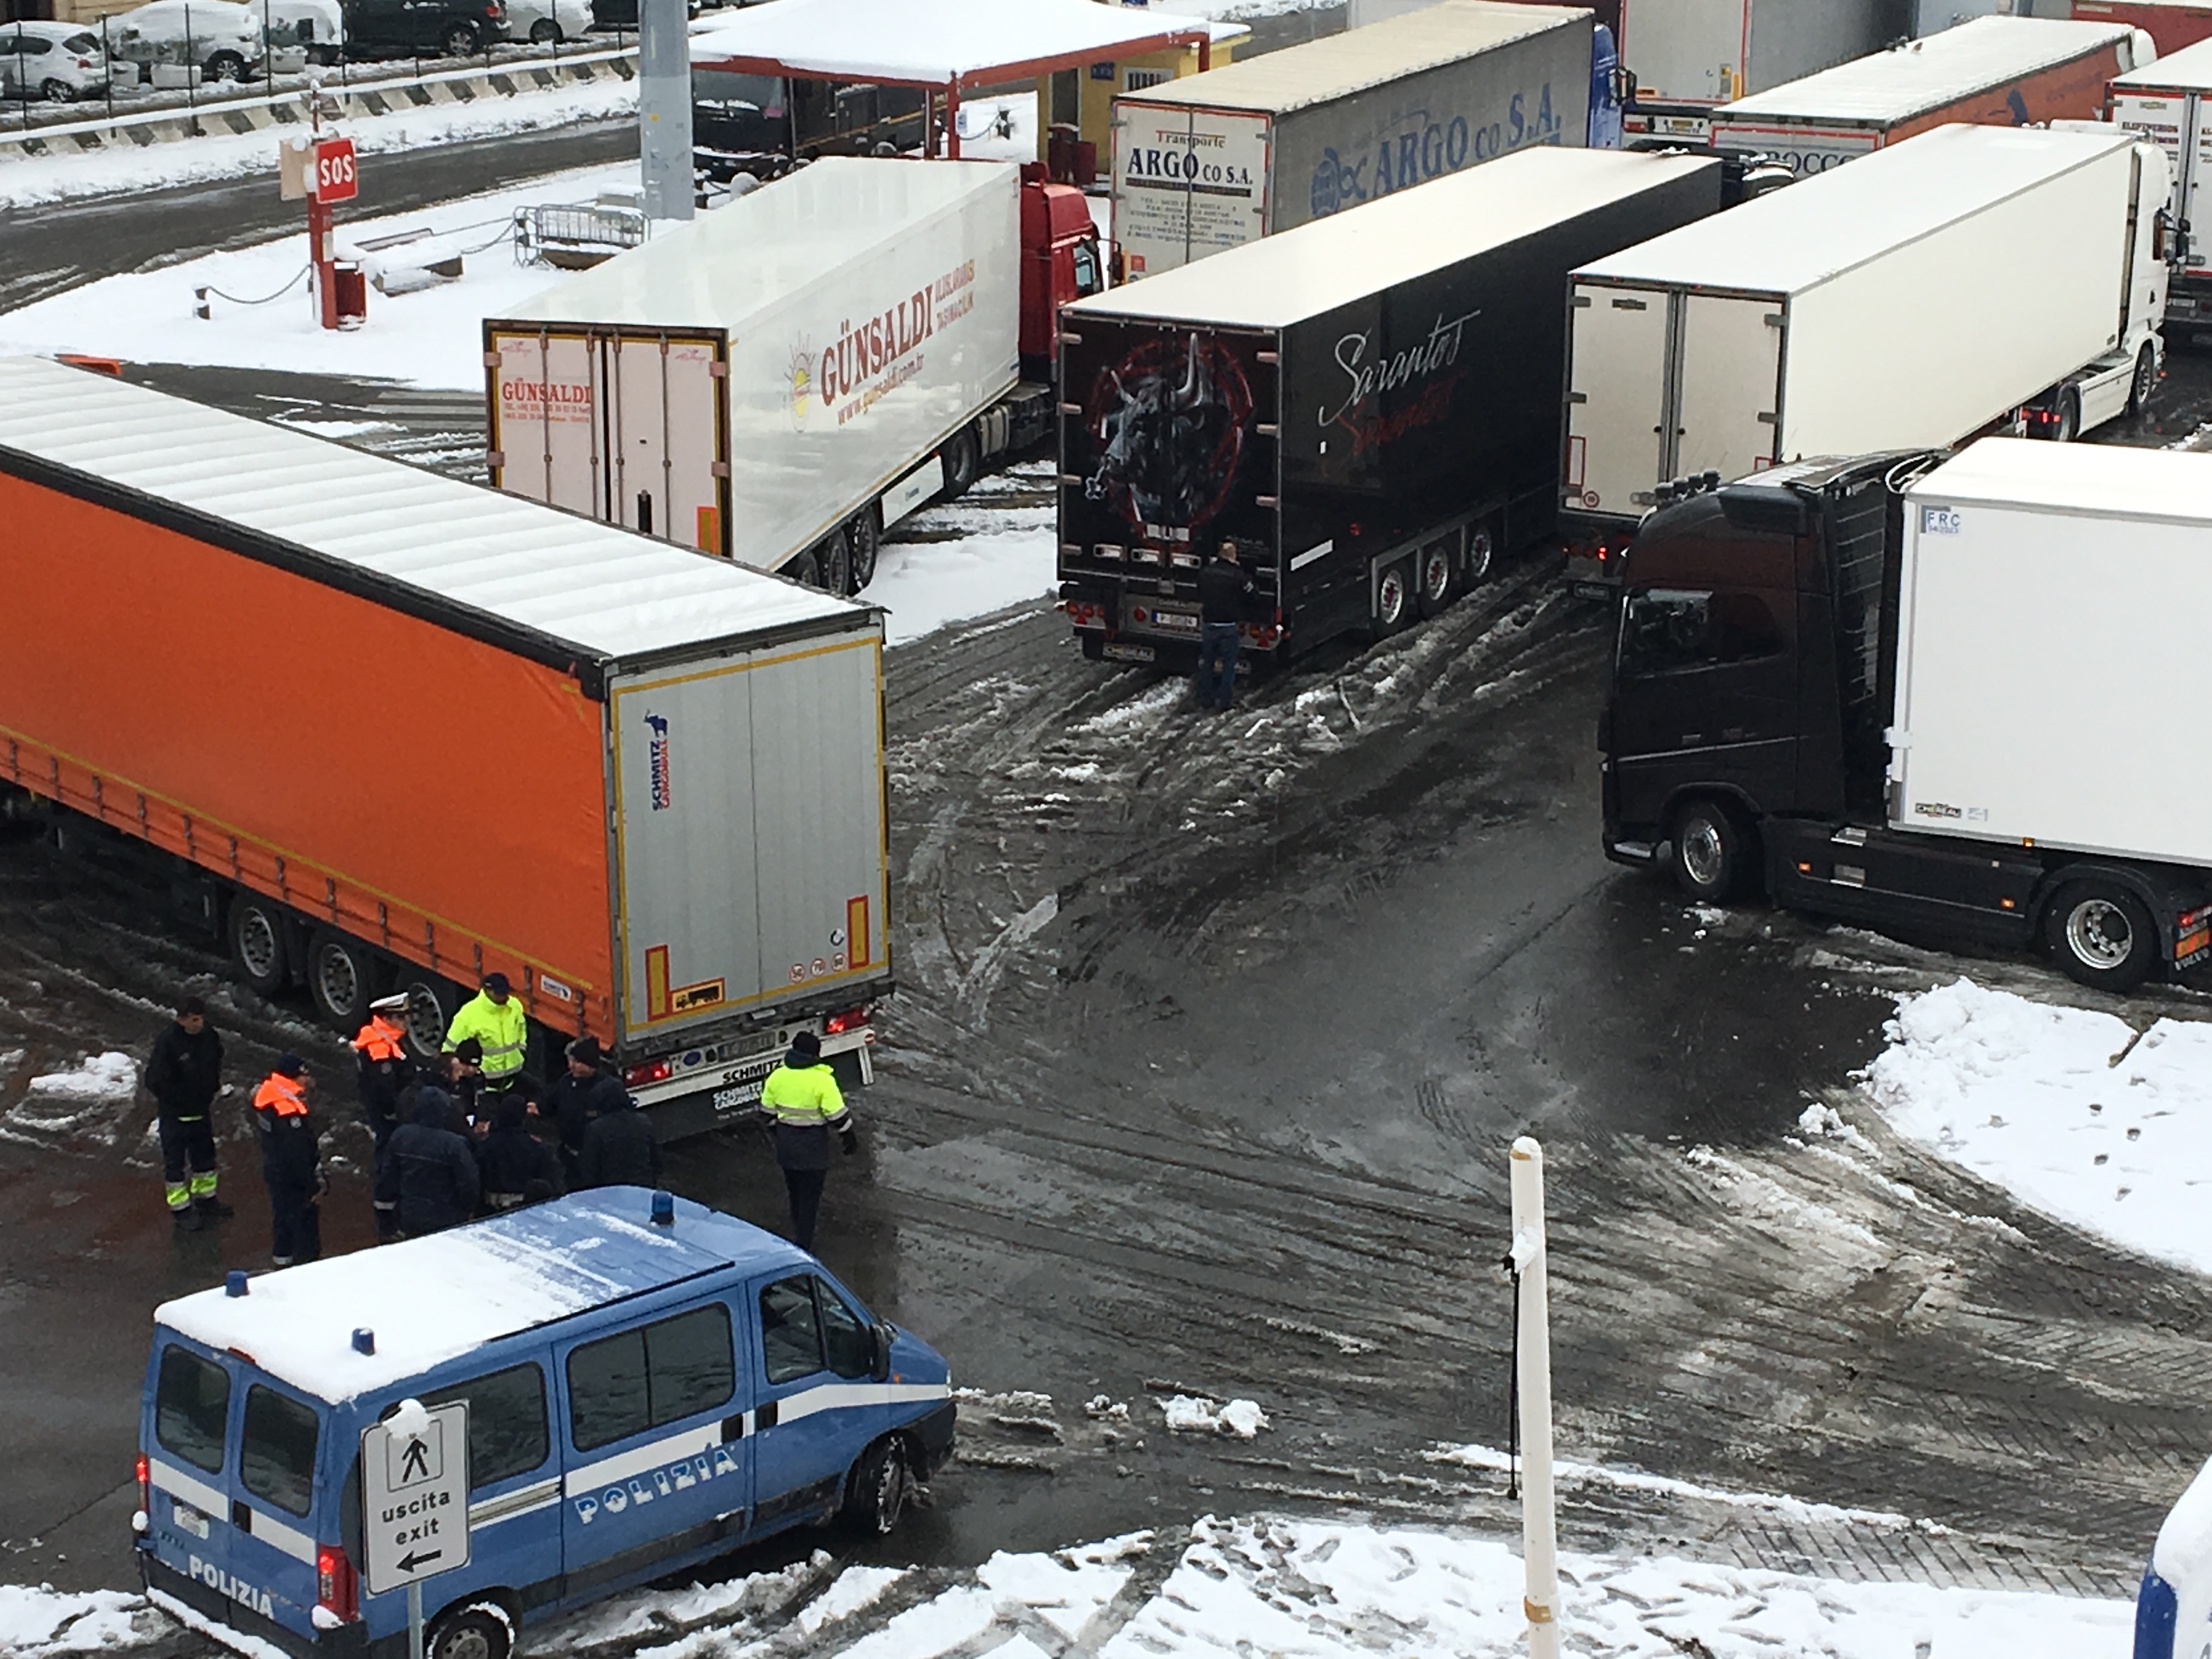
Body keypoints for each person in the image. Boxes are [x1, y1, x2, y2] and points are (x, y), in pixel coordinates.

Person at [757, 1031, 856, 1252]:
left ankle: (798, 1232)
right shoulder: (823, 1081)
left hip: (787, 1149)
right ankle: (804, 1245)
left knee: (795, 1194)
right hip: (814, 1149)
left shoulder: (777, 1077)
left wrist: (779, 1134)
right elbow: (838, 1117)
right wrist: (849, 1138)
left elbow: (766, 1115)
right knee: (810, 1199)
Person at [144, 995, 229, 1232]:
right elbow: (154, 1080)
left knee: (205, 1160)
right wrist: (177, 1099)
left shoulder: (208, 1036)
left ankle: (206, 1200)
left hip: (200, 1112)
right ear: (181, 1020)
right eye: (194, 1020)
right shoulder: (168, 1042)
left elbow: (216, 1060)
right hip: (176, 1117)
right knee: (175, 1165)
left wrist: (210, 1088)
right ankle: (181, 1210)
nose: (198, 1024)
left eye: (201, 1019)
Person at [374, 1088, 481, 1237]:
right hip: (448, 1218)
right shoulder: (454, 1144)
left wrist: (385, 1215)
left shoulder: (401, 1136)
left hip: (410, 1216)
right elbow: (470, 1183)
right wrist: (465, 1209)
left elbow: (388, 1179)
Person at [252, 1054, 321, 1267]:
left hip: (275, 1169)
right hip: (292, 1178)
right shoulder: (286, 1109)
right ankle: (305, 1267)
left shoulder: (269, 1095)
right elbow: (297, 1152)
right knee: (303, 1225)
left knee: (282, 1219)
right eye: (304, 1075)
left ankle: (282, 1262)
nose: (307, 1080)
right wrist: (312, 1185)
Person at [544, 1035, 629, 1185]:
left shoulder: (606, 1090)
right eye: (570, 1061)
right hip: (570, 1157)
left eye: (577, 1062)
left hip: (596, 1163)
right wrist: (539, 1108)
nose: (571, 1066)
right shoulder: (567, 1081)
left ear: (590, 1064)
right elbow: (554, 1101)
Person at [445, 970, 528, 1097]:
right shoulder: (468, 1015)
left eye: (506, 993)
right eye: (499, 994)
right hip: (486, 1084)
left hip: (512, 1078)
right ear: (487, 991)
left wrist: (521, 1049)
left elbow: (522, 1027)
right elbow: (450, 1048)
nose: (504, 997)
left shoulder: (514, 1005)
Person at [1195, 539, 1256, 712]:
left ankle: (1206, 700)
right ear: (1233, 556)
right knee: (1228, 666)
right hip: (1228, 627)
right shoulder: (1239, 576)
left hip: (1209, 626)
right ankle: (1225, 702)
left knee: (1207, 664)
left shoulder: (1205, 573)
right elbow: (1253, 594)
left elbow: (1199, 591)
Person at [477, 1094, 563, 1211]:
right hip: (526, 1207)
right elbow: (550, 1179)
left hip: (490, 1208)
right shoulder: (537, 1147)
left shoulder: (486, 1145)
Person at [351, 992, 411, 1152]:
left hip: (391, 1105)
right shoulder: (378, 1047)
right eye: (400, 1017)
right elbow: (384, 1084)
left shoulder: (388, 1038)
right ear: (386, 1020)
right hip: (387, 1111)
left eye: (407, 1016)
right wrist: (391, 1111)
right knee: (387, 1144)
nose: (406, 1021)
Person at [579, 1089, 662, 1189]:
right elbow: (656, 1157)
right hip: (642, 1184)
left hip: (610, 1188)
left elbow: (589, 1167)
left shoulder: (596, 1129)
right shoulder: (644, 1122)